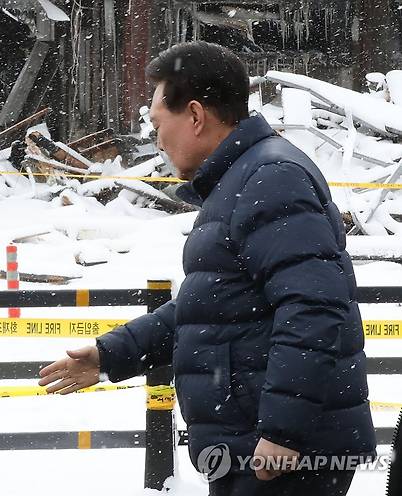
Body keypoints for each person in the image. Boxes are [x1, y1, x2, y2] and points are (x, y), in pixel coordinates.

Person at [39, 41, 376, 495]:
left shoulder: (270, 178)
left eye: (158, 123)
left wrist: (283, 431)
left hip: (281, 456)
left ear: (195, 116)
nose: (156, 139)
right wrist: (112, 354)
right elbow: (212, 308)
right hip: (254, 447)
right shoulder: (243, 180)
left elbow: (314, 306)